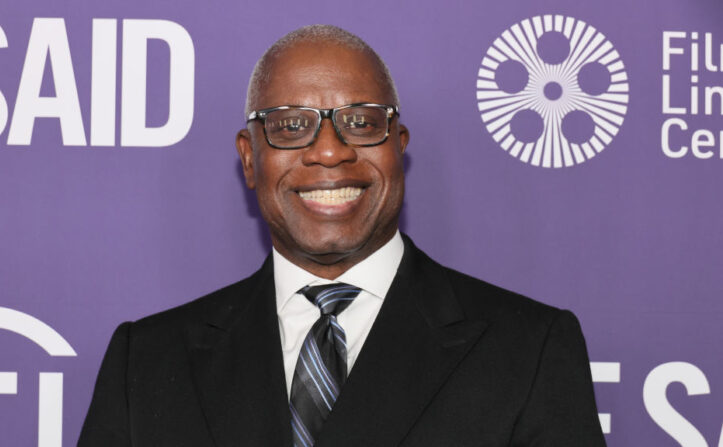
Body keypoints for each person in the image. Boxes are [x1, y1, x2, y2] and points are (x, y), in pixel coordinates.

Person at [78, 25, 606, 447]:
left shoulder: (529, 351)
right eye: (289, 125)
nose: (329, 150)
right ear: (248, 157)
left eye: (360, 121)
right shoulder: (146, 360)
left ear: (398, 146)